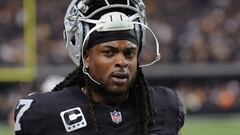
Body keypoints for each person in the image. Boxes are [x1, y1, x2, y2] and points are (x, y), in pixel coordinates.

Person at [14, 0, 185, 135]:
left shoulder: (164, 106)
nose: (122, 62)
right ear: (86, 58)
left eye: (129, 53)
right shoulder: (45, 112)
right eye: (109, 52)